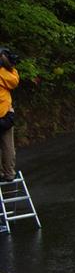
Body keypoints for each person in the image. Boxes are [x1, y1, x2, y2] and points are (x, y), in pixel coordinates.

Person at [0, 48, 19, 182]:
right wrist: (10, 67)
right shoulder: (7, 75)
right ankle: (9, 172)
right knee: (7, 146)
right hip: (5, 114)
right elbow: (15, 81)